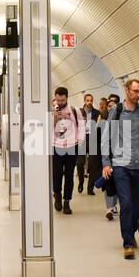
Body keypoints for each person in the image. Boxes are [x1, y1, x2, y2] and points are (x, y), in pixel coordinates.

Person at [101, 78, 139, 259]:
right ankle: (127, 243)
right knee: (125, 204)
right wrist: (106, 163)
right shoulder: (116, 111)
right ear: (127, 90)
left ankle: (131, 230)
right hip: (120, 165)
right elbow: (106, 137)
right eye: (135, 91)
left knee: (136, 204)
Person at [51, 85, 83, 215]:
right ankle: (57, 194)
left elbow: (81, 125)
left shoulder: (75, 110)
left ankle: (67, 202)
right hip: (56, 146)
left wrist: (79, 141)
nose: (60, 103)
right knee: (57, 174)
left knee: (69, 175)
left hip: (71, 146)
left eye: (62, 100)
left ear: (67, 98)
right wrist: (54, 118)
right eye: (58, 100)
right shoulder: (51, 111)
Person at [99, 93, 120, 220]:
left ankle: (116, 205)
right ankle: (110, 207)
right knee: (109, 180)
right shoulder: (103, 118)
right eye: (110, 104)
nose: (112, 106)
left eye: (114, 104)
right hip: (106, 153)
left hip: (119, 153)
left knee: (119, 180)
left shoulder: (122, 116)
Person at [79, 93, 100, 195]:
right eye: (87, 100)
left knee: (92, 165)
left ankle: (90, 188)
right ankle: (81, 182)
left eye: (91, 100)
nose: (89, 102)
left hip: (92, 139)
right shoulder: (78, 112)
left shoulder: (97, 113)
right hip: (82, 139)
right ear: (84, 101)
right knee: (79, 162)